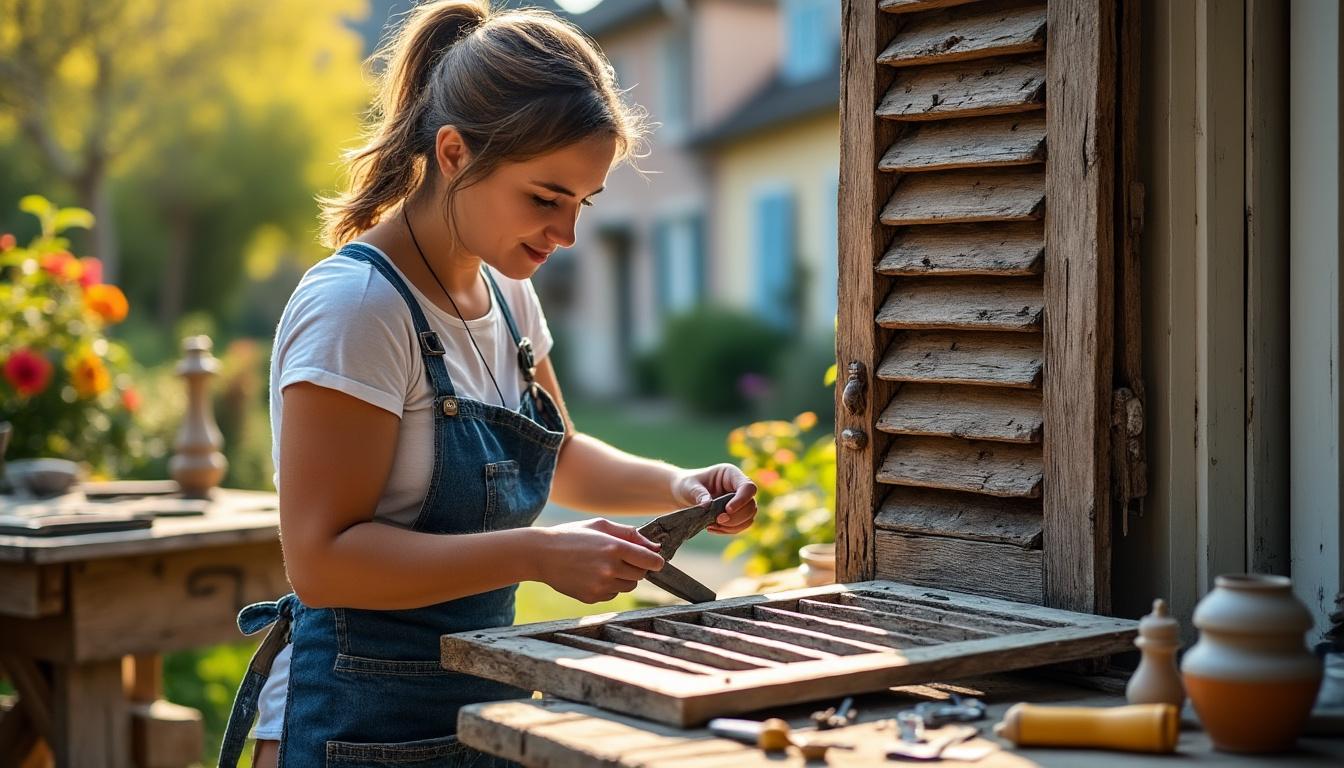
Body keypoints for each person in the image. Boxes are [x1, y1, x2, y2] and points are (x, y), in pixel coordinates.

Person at [217, 2, 759, 766]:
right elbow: (323, 560)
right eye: (545, 198)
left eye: (582, 203)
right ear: (452, 153)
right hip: (357, 727)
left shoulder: (509, 295)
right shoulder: (359, 308)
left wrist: (679, 486)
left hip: (484, 710)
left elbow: (559, 453)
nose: (566, 234)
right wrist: (535, 555)